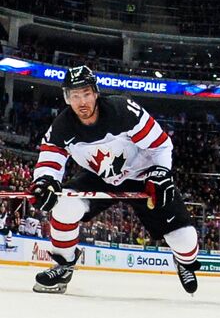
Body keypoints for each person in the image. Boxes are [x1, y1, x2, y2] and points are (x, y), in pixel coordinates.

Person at [30, 66, 200, 295]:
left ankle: (185, 263)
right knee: (63, 205)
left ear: (96, 93)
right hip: (100, 176)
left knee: (185, 240)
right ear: (67, 98)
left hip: (142, 173)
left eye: (86, 94)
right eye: (75, 95)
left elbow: (160, 144)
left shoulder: (123, 111)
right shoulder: (61, 127)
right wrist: (45, 183)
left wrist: (161, 172)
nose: (82, 102)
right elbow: (50, 161)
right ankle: (64, 265)